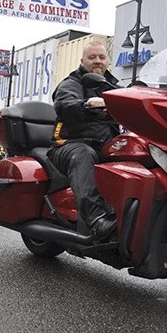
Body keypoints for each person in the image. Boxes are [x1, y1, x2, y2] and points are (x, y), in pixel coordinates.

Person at [47, 41, 120, 241]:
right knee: (84, 154)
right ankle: (96, 219)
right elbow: (64, 104)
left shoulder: (112, 85)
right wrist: (86, 104)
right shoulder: (72, 83)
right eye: (92, 57)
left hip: (105, 146)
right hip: (69, 145)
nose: (97, 61)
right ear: (82, 61)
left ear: (107, 61)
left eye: (101, 57)